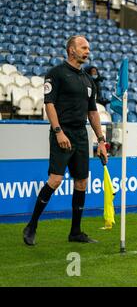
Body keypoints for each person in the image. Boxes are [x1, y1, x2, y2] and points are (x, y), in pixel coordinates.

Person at [22, 35, 108, 246]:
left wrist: (101, 141)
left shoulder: (88, 80)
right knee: (56, 180)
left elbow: (93, 113)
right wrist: (58, 131)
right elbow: (49, 104)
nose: (87, 51)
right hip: (62, 131)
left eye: (88, 48)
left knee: (81, 182)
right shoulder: (56, 74)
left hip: (80, 134)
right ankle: (32, 225)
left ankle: (76, 232)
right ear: (71, 50)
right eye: (83, 47)